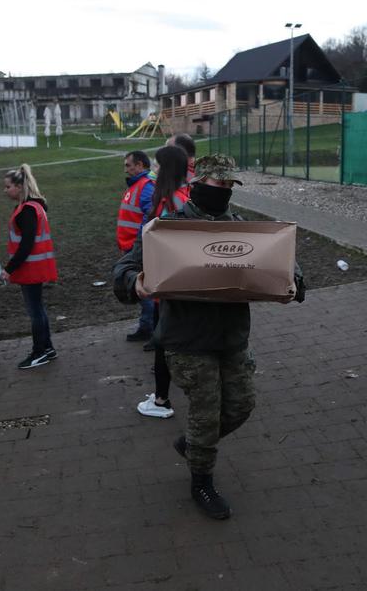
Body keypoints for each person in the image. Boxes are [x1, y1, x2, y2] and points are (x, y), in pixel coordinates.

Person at [114, 154, 305, 520]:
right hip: (188, 341)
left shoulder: (240, 229)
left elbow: (279, 259)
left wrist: (293, 280)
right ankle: (201, 480)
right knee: (205, 413)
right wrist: (133, 283)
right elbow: (125, 267)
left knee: (241, 405)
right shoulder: (168, 229)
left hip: (232, 337)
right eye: (220, 184)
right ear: (198, 183)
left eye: (231, 185)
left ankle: (192, 445)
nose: (226, 191)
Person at [136, 145, 192, 419]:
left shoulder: (173, 201)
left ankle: (161, 401)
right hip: (171, 284)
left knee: (163, 343)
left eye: (157, 166)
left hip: (168, 286)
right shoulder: (178, 196)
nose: (153, 170)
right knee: (169, 342)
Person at [1, 164, 59, 369]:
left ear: (19, 187)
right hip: (36, 267)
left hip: (30, 269)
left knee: (35, 312)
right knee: (39, 309)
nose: (5, 190)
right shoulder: (34, 206)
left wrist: (8, 269)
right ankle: (47, 348)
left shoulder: (27, 210)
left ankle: (39, 352)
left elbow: (26, 245)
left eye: (8, 187)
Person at [117, 150, 157, 344]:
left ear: (140, 165)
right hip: (131, 247)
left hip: (137, 248)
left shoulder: (146, 186)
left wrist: (138, 246)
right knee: (141, 287)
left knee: (144, 287)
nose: (125, 169)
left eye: (128, 165)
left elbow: (149, 216)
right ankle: (147, 326)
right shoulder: (137, 185)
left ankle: (149, 329)